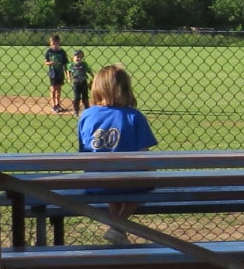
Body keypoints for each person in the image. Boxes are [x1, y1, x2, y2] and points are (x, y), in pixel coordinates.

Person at [78, 63, 158, 244]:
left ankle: (117, 228)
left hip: (95, 182)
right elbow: (144, 155)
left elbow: (84, 151)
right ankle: (118, 226)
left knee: (110, 179)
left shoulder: (87, 115)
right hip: (128, 183)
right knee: (145, 180)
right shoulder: (134, 116)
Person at [43, 34, 67, 112]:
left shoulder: (62, 52)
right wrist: (50, 63)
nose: (52, 45)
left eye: (54, 43)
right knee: (53, 88)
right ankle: (53, 105)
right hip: (53, 72)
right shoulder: (49, 51)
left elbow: (65, 63)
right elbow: (45, 62)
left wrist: (67, 72)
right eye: (51, 43)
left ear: (58, 42)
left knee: (59, 88)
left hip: (60, 72)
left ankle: (58, 104)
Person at [67, 49, 92, 115]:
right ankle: (76, 111)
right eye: (77, 57)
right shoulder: (71, 65)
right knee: (76, 97)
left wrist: (93, 77)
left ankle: (87, 109)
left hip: (84, 82)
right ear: (73, 57)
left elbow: (89, 71)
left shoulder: (84, 64)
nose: (78, 58)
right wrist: (69, 78)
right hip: (76, 83)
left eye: (80, 57)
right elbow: (68, 71)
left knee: (85, 97)